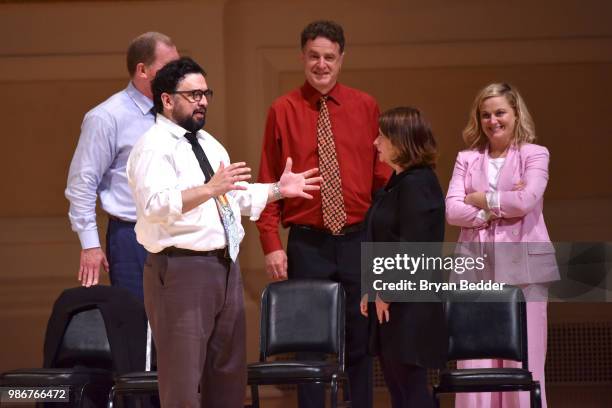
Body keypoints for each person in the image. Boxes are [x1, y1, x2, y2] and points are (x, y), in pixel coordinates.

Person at [127, 57, 321, 407]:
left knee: (229, 378)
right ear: (167, 99)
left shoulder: (208, 143)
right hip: (181, 269)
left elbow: (232, 196)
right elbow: (155, 205)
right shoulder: (152, 146)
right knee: (183, 381)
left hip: (224, 266)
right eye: (193, 94)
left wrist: (278, 189)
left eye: (206, 93)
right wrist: (210, 189)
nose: (202, 101)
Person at [256, 20, 391, 408]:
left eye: (329, 57)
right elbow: (269, 181)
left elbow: (381, 180)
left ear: (341, 58)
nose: (321, 65)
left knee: (362, 339)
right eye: (313, 56)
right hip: (307, 242)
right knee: (307, 344)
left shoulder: (365, 106)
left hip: (358, 238)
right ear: (302, 57)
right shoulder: (282, 109)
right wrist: (270, 244)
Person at [446, 82, 559, 408]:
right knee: (475, 357)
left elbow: (526, 200)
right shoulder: (466, 158)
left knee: (524, 357)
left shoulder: (535, 154)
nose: (492, 120)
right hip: (475, 268)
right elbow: (452, 210)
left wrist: (480, 200)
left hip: (525, 269)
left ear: (515, 113)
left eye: (499, 113)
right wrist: (499, 205)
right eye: (485, 115)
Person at [65, 32, 179, 299]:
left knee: (177, 328)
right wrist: (90, 245)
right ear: (142, 70)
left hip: (177, 232)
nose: (177, 74)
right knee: (136, 325)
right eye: (169, 67)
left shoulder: (175, 111)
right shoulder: (106, 117)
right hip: (131, 237)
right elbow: (82, 183)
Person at [360, 107, 448, 408]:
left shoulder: (418, 184)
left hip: (410, 306)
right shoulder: (398, 182)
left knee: (411, 393)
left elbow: (414, 248)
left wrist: (387, 290)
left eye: (382, 137)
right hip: (394, 304)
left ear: (401, 142)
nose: (375, 143)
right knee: (400, 392)